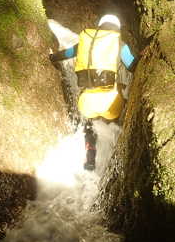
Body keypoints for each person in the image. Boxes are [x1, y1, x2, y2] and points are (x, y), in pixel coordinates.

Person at [49, 14, 136, 170]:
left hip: (87, 103)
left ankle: (90, 158)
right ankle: (114, 162)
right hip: (112, 103)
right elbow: (132, 65)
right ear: (117, 28)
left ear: (100, 27)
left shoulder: (86, 42)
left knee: (89, 126)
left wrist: (51, 57)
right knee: (115, 122)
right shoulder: (119, 44)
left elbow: (66, 54)